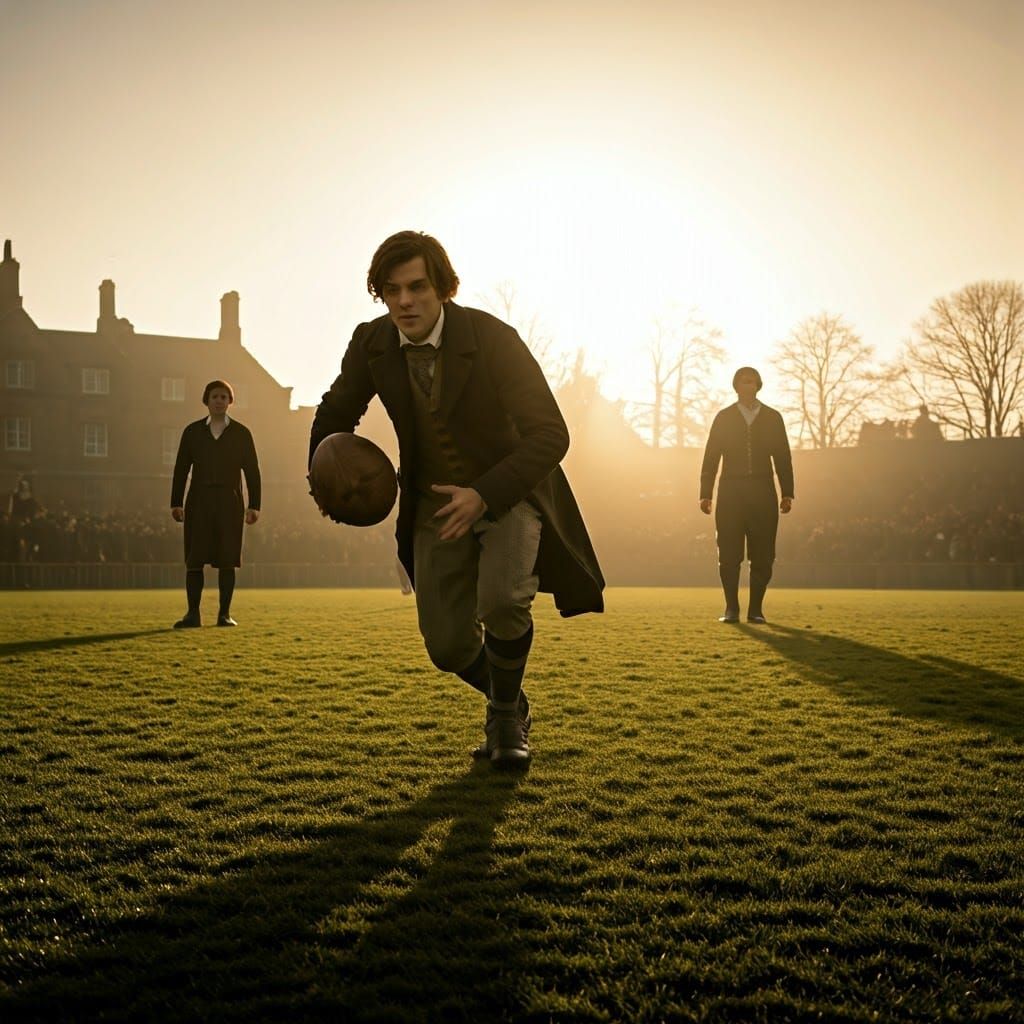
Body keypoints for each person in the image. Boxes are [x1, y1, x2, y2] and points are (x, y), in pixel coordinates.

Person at [310, 230, 604, 766]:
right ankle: (509, 697)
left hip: (508, 493)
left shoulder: (494, 339)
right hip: (430, 504)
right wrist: (321, 476)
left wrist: (484, 494)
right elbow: (335, 413)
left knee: (501, 599)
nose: (404, 301)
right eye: (391, 290)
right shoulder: (371, 343)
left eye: (418, 287)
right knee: (445, 646)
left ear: (442, 286)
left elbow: (551, 434)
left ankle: (505, 720)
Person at [699, 366, 793, 624]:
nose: (747, 386)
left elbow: (783, 456)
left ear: (758, 385)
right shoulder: (724, 417)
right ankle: (731, 609)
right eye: (742, 381)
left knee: (763, 553)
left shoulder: (773, 417)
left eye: (751, 381)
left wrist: (788, 492)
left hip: (763, 490)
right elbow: (711, 456)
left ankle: (756, 610)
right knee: (728, 552)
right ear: (736, 386)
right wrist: (705, 493)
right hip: (730, 490)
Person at [170, 380, 261, 628]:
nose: (219, 401)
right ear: (206, 401)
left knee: (228, 557)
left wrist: (255, 505)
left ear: (230, 401)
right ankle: (192, 614)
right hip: (198, 501)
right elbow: (181, 469)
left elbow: (252, 471)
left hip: (230, 502)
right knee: (194, 558)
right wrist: (176, 502)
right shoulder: (192, 432)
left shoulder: (242, 434)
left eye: (223, 397)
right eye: (214, 397)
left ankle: (224, 614)